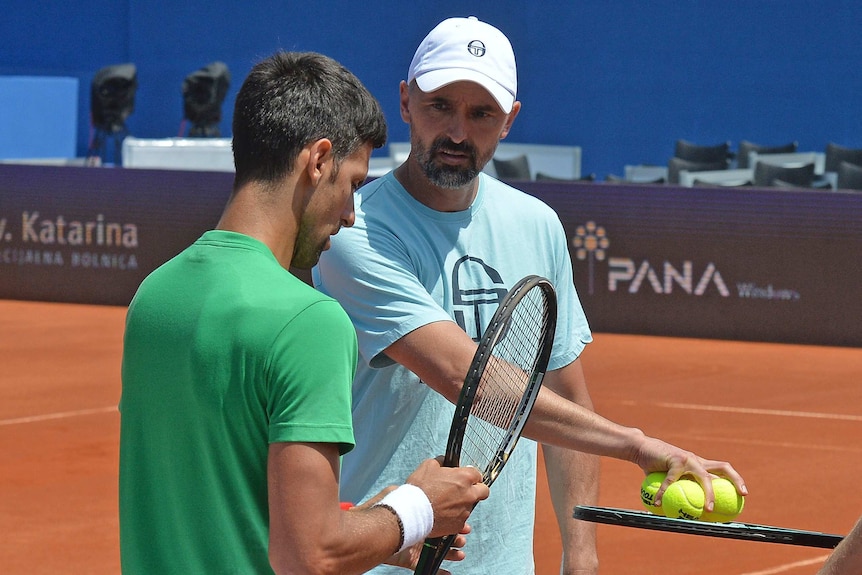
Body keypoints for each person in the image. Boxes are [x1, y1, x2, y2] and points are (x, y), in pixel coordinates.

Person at [313, 16, 748, 575]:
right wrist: (638, 446)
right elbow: (462, 373)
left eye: (481, 113)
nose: (457, 133)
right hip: (382, 561)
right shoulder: (355, 232)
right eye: (439, 105)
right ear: (404, 101)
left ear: (510, 119)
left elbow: (565, 393)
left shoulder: (537, 223)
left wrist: (581, 553)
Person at [118, 50, 490, 575]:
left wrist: (373, 524)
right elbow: (310, 554)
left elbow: (225, 498)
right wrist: (419, 506)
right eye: (353, 184)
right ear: (317, 162)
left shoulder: (153, 297)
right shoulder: (309, 321)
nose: (349, 214)